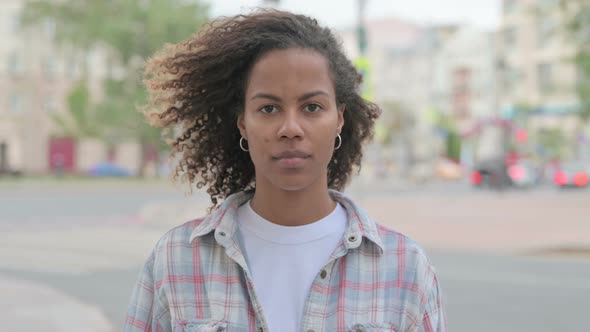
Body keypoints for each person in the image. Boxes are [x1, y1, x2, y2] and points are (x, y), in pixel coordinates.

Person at [124, 9, 446, 332]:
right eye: (268, 108)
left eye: (312, 107)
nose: (290, 128)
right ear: (243, 124)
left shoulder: (405, 269)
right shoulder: (175, 261)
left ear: (339, 119)